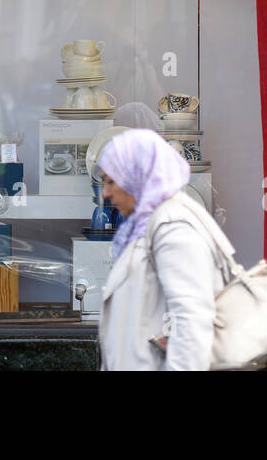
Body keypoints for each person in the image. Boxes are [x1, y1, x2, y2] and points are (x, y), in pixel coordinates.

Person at [97, 128, 232, 371]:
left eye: (111, 181)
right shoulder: (147, 224)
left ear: (136, 174)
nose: (105, 193)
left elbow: (192, 322)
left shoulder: (173, 226)